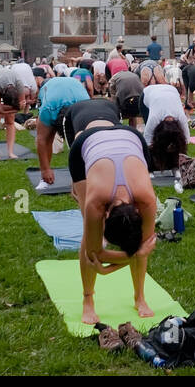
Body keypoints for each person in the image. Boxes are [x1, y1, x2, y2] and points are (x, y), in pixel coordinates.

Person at [71, 123, 158, 324]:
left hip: (131, 137)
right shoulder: (96, 202)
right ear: (106, 215)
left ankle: (140, 298)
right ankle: (88, 300)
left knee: (140, 244)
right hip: (85, 143)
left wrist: (108, 268)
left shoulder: (147, 200)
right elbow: (94, 254)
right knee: (88, 235)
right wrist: (137, 254)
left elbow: (144, 247)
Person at [34, 75, 90, 188]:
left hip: (77, 95)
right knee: (46, 137)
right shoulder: (48, 110)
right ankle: (44, 179)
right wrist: (45, 170)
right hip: (51, 91)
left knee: (83, 141)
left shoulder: (86, 110)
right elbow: (42, 141)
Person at [138, 83, 188, 171]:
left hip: (170, 90)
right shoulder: (154, 118)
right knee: (155, 143)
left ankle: (173, 165)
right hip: (147, 94)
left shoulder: (181, 118)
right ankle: (153, 166)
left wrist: (177, 153)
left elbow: (186, 141)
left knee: (174, 145)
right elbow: (147, 143)